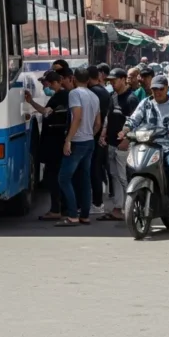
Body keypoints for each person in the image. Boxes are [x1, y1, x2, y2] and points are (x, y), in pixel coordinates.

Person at [120, 75, 169, 200]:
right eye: (155, 89)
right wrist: (125, 130)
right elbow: (133, 119)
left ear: (167, 88)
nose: (158, 92)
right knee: (130, 164)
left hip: (168, 146)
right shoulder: (146, 103)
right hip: (147, 145)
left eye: (161, 89)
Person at [57, 67, 101, 227]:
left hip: (77, 141)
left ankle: (72, 214)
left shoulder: (74, 94)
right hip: (89, 140)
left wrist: (68, 139)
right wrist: (90, 134)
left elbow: (77, 117)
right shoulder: (94, 96)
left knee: (63, 178)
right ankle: (85, 215)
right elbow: (98, 123)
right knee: (85, 179)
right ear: (88, 80)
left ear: (74, 79)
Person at [26, 70, 70, 221]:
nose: (47, 86)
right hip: (56, 143)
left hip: (55, 144)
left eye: (49, 83)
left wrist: (31, 102)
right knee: (56, 176)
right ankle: (62, 208)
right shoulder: (60, 96)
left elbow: (46, 112)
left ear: (57, 82)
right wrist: (31, 102)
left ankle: (56, 209)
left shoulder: (61, 97)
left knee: (53, 177)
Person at [100, 68, 140, 221]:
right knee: (115, 177)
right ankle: (118, 208)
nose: (112, 84)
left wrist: (127, 140)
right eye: (110, 81)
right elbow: (108, 118)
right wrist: (104, 133)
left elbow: (136, 122)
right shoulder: (113, 97)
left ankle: (131, 208)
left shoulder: (131, 99)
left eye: (114, 81)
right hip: (111, 143)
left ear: (123, 79)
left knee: (124, 178)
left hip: (123, 145)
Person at [87, 67, 112, 214]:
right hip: (103, 134)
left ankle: (97, 203)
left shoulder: (92, 93)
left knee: (94, 169)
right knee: (100, 168)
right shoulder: (104, 92)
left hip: (95, 135)